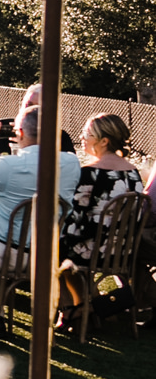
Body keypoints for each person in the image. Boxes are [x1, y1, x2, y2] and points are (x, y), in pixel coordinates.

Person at [0, 107, 82, 326]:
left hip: (4, 252)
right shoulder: (71, 163)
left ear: (19, 133)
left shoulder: (10, 166)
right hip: (46, 255)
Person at [57, 114, 144, 304]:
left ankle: (74, 307)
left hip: (91, 251)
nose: (81, 137)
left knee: (50, 250)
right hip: (122, 252)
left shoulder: (90, 173)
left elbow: (76, 219)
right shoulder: (133, 173)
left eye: (87, 134)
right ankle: (91, 303)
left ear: (104, 141)